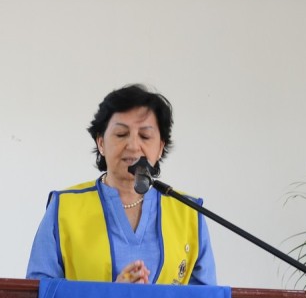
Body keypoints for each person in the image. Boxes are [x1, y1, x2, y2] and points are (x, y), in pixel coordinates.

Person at [26, 83, 216, 285]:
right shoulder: (64, 207)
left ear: (161, 147)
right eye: (121, 134)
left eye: (145, 136)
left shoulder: (188, 212)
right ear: (101, 142)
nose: (133, 146)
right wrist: (112, 296)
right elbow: (40, 292)